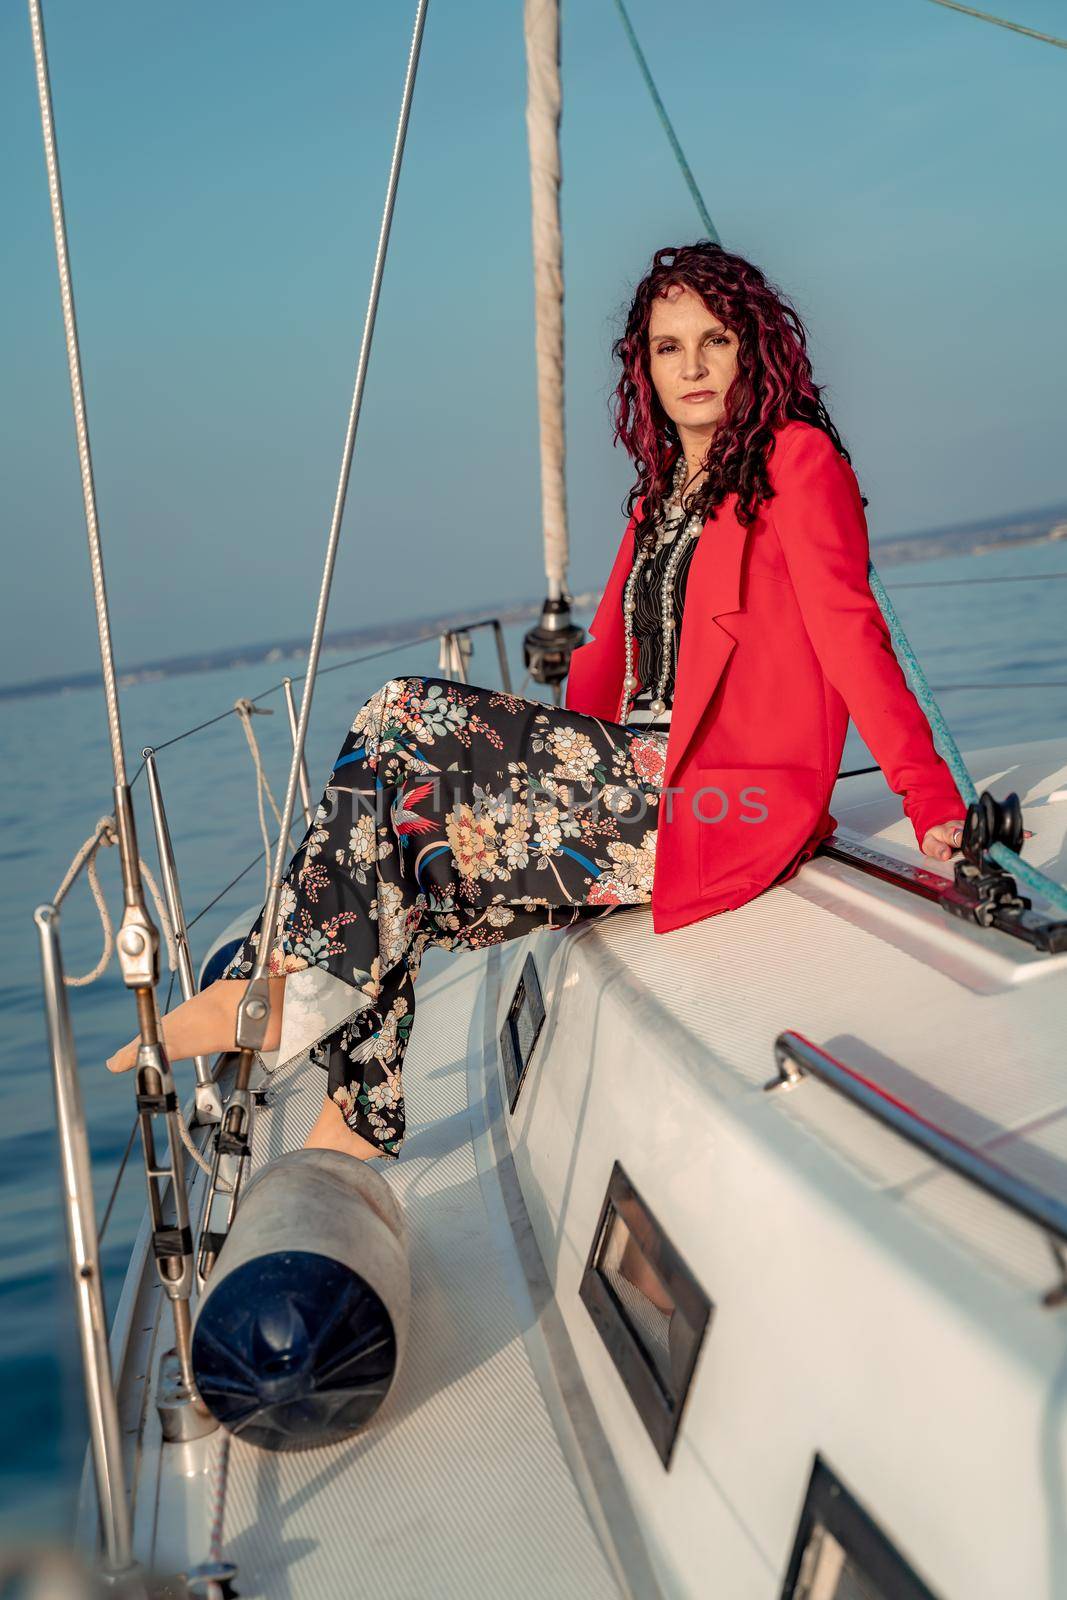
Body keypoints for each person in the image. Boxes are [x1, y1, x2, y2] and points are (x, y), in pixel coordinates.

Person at [107, 240, 969, 1166]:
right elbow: (603, 670)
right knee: (404, 857)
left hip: (719, 799)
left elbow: (850, 633)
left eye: (712, 341)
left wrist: (933, 804)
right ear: (641, 363)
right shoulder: (659, 495)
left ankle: (278, 988)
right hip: (627, 778)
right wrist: (506, 762)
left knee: (402, 712)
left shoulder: (795, 463)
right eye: (666, 346)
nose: (690, 366)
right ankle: (351, 1123)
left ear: (750, 348)